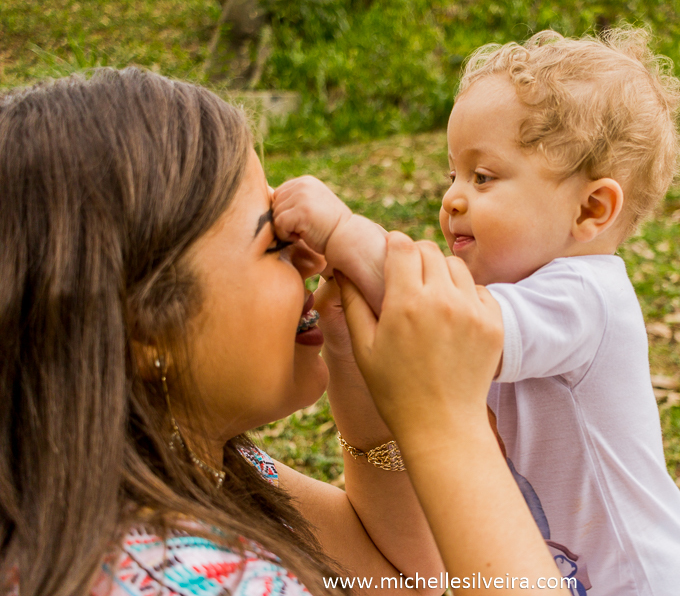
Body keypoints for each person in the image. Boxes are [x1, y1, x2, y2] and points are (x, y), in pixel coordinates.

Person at [0, 68, 569, 596]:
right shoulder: (187, 580)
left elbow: (400, 579)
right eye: (272, 240)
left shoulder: (179, 470)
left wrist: (354, 368)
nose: (312, 257)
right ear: (146, 326)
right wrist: (445, 422)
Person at [272, 29, 680, 595]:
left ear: (591, 209)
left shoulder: (588, 295)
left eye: (483, 177)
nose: (453, 198)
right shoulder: (509, 298)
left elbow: (441, 320)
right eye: (453, 175)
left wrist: (343, 233)